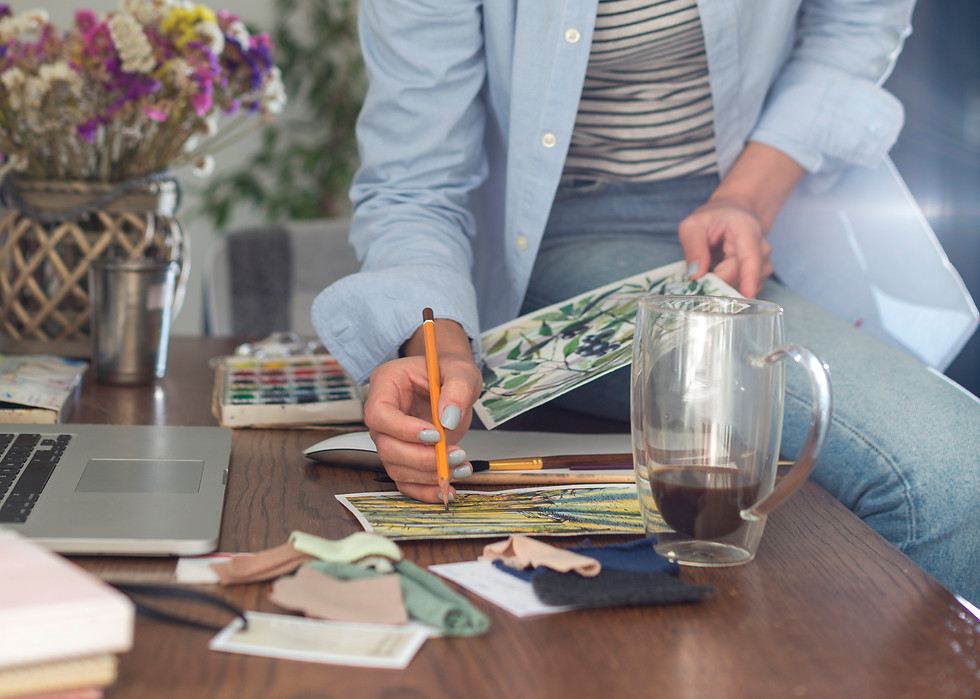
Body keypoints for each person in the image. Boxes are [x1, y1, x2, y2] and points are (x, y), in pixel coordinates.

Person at [312, 0, 980, 605]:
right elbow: (419, 181)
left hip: (778, 206)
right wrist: (441, 340)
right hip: (568, 238)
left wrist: (748, 193)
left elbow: (859, 18)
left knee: (948, 476)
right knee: (947, 474)